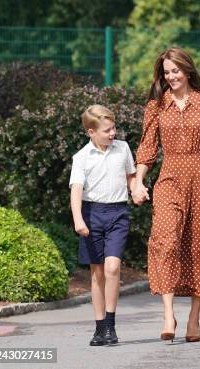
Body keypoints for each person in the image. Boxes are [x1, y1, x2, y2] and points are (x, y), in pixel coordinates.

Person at [131, 47, 200, 343]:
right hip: (169, 177)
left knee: (198, 245)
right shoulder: (157, 106)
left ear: (187, 71)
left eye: (175, 71)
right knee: (165, 240)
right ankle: (168, 315)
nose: (171, 77)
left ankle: (194, 318)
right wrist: (138, 181)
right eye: (166, 72)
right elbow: (147, 148)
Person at [69, 104, 137, 346]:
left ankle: (110, 325)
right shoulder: (82, 157)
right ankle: (99, 328)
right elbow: (76, 190)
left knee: (112, 268)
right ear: (91, 131)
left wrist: (136, 188)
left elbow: (131, 175)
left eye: (114, 128)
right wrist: (78, 218)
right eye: (107, 130)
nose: (112, 134)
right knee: (97, 273)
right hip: (91, 214)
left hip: (118, 212)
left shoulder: (123, 148)